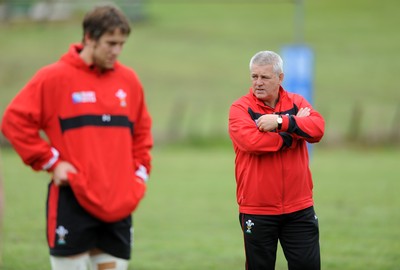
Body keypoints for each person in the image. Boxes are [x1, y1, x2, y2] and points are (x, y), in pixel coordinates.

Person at [1, 4, 152, 270]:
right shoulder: (54, 78)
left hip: (119, 203)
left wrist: (139, 177)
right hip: (73, 199)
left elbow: (141, 135)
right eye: (110, 43)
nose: (116, 51)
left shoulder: (129, 81)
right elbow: (14, 122)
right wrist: (52, 162)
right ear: (89, 38)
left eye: (121, 44)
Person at [228, 50, 325, 270]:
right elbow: (251, 143)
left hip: (299, 207)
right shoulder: (240, 108)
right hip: (257, 209)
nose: (258, 83)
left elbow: (318, 129)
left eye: (265, 77)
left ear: (280, 78)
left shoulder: (297, 101)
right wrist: (294, 131)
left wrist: (280, 122)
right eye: (254, 76)